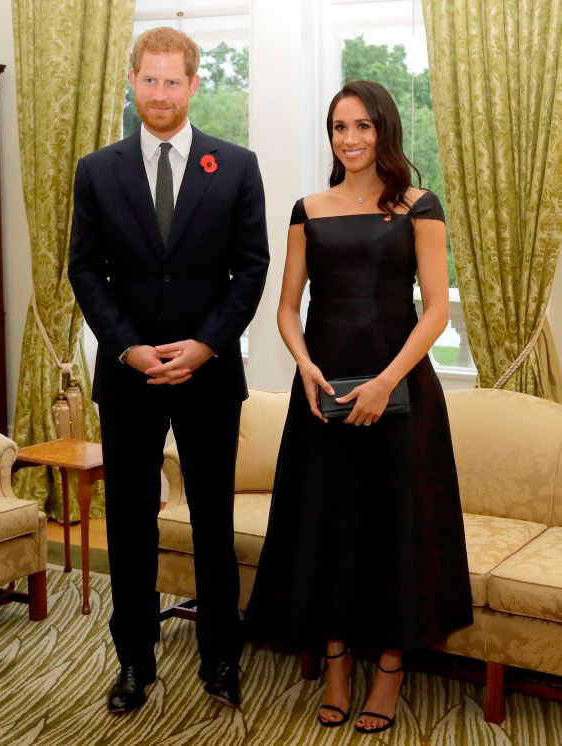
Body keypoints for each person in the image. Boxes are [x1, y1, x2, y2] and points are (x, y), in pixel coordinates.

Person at [244, 80, 473, 734]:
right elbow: (288, 308)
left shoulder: (417, 206)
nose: (350, 139)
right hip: (322, 393)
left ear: (384, 131)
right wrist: (307, 368)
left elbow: (433, 311)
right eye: (339, 127)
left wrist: (382, 381)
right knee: (329, 525)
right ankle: (337, 660)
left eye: (362, 126)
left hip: (400, 392)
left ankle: (390, 670)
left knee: (394, 527)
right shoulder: (307, 208)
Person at [68, 27, 269, 713]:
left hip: (208, 375)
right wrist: (126, 346)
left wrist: (205, 345)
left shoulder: (235, 166)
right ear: (131, 81)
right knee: (129, 523)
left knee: (213, 520)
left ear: (192, 83)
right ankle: (133, 662)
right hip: (128, 376)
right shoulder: (96, 170)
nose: (159, 93)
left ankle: (219, 657)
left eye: (172, 81)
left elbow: (252, 270)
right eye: (148, 80)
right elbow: (84, 271)